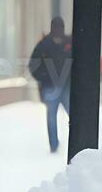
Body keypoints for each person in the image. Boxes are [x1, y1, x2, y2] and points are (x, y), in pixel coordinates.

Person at [28, 17, 72, 153]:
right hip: (50, 87)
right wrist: (45, 78)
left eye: (60, 27)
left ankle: (74, 142)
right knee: (52, 118)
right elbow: (33, 65)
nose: (59, 30)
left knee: (73, 115)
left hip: (66, 87)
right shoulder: (44, 45)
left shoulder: (69, 43)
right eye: (56, 27)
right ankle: (53, 145)